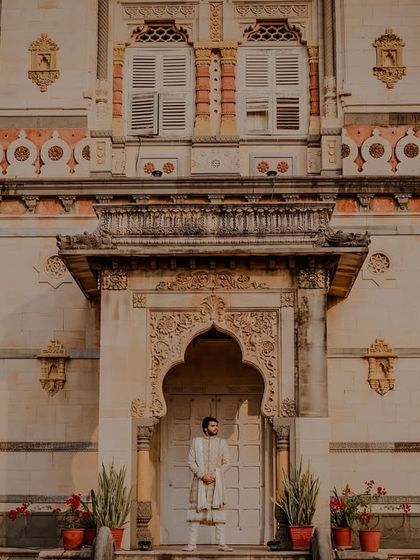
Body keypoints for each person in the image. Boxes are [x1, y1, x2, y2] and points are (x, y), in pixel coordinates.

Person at [182, 416, 233, 552]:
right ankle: (192, 544)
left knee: (219, 515)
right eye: (212, 426)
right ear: (205, 428)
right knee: (196, 514)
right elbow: (190, 462)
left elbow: (227, 463)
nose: (216, 428)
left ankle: (222, 544)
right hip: (199, 483)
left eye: (217, 425)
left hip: (216, 484)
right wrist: (202, 475)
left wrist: (215, 475)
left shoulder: (222, 443)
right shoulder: (196, 442)